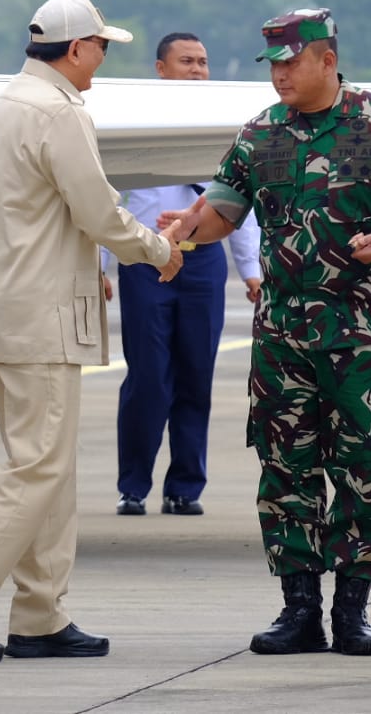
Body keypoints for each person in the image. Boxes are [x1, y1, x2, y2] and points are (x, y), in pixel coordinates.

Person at [0, 0, 192, 663]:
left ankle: (39, 614)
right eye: (101, 48)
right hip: (42, 314)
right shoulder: (56, 111)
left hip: (17, 308)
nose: (103, 60)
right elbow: (98, 210)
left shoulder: (10, 102)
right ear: (77, 47)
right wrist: (161, 250)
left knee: (49, 468)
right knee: (38, 467)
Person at [161, 7, 371, 658]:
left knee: (359, 468)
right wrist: (188, 226)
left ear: (327, 59)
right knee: (286, 468)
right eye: (272, 65)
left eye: (291, 63)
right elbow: (223, 212)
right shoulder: (261, 133)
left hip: (363, 330)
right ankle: (298, 609)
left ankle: (352, 612)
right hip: (284, 334)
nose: (280, 76)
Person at [103, 31, 261, 518]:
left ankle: (185, 487)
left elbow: (240, 204)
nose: (197, 69)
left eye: (203, 62)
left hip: (204, 262)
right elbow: (104, 199)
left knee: (196, 374)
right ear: (160, 69)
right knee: (149, 377)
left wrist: (251, 269)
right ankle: (133, 485)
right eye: (187, 61)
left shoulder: (228, 126)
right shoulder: (130, 123)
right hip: (146, 261)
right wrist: (100, 265)